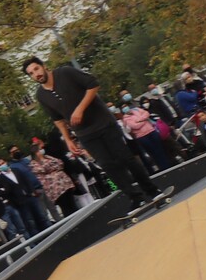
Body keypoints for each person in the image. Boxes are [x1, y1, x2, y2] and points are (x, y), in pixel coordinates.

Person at [28, 56, 162, 208]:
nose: (36, 74)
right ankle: (135, 197)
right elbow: (57, 119)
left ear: (43, 66)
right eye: (31, 73)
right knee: (107, 165)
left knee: (125, 158)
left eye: (36, 69)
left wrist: (80, 109)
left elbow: (93, 85)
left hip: (103, 123)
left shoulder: (65, 72)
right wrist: (68, 139)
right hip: (85, 133)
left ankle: (152, 190)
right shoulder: (41, 95)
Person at [27, 137, 80, 217]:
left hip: (65, 184)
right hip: (55, 190)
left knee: (73, 205)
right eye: (39, 150)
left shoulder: (48, 157)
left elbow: (60, 163)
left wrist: (50, 167)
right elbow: (44, 169)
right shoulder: (33, 164)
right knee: (66, 209)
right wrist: (42, 160)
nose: (42, 151)